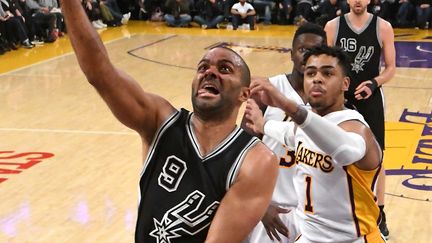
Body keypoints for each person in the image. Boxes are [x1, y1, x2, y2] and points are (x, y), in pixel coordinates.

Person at [60, 0, 279, 242]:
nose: (210, 72)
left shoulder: (256, 161)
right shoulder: (159, 120)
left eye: (225, 69)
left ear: (244, 94)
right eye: (203, 67)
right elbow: (100, 73)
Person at [244, 45, 385, 243]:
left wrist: (287, 105)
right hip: (309, 237)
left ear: (345, 84)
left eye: (328, 73)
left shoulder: (355, 127)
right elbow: (287, 133)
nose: (317, 78)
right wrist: (262, 124)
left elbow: (345, 152)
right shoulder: (303, 127)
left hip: (353, 239)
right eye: (310, 73)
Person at [242, 22, 327, 243]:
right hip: (271, 206)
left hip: (313, 213)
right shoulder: (266, 90)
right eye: (302, 50)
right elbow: (240, 152)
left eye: (315, 51)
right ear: (291, 53)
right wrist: (259, 205)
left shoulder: (329, 100)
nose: (308, 56)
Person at [324, 0, 396, 239]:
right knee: (333, 154)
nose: (358, 0)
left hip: (370, 97)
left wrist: (374, 83)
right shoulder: (332, 26)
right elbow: (327, 65)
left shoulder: (383, 27)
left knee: (377, 157)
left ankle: (380, 213)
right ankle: (338, 209)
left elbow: (390, 68)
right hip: (339, 99)